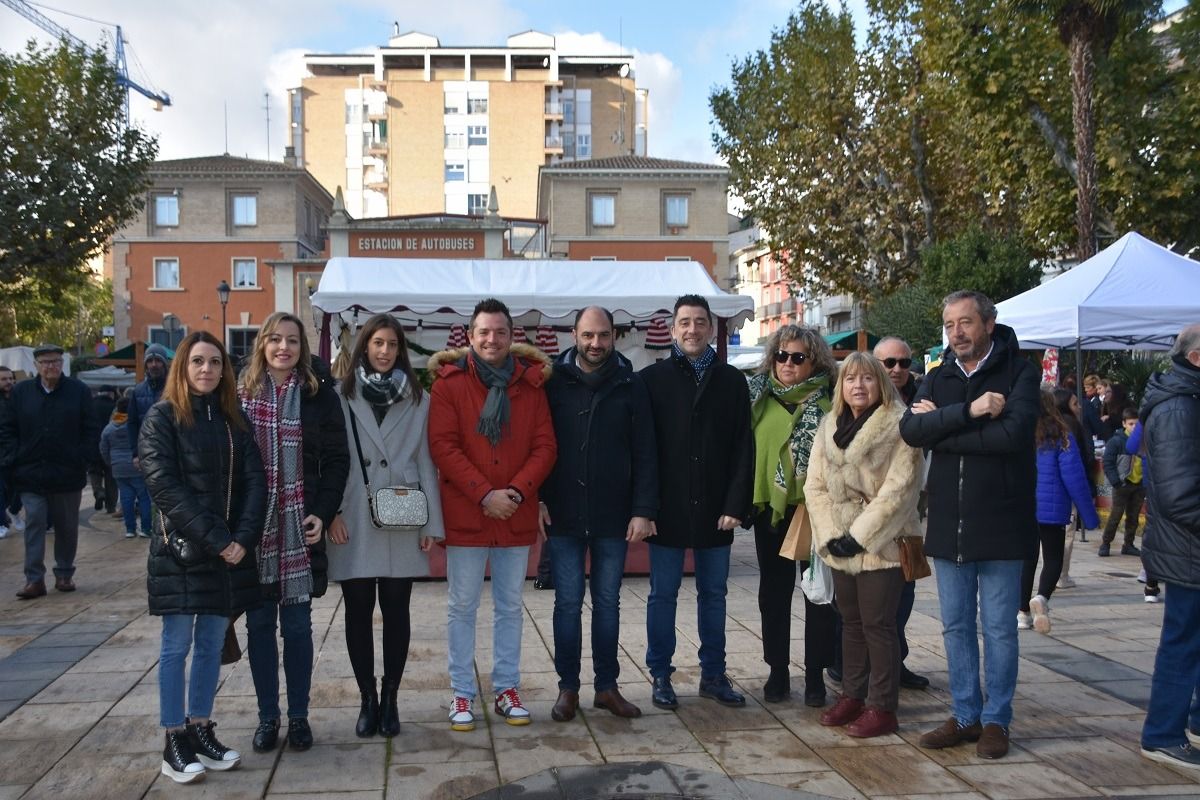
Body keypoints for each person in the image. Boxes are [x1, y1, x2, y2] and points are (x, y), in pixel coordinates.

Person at [900, 291, 1039, 760]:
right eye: (949, 325)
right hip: (948, 523)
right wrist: (971, 412)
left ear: (989, 324)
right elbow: (911, 432)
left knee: (999, 628)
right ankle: (965, 715)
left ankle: (997, 719)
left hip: (1002, 522)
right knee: (956, 626)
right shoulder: (938, 376)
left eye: (965, 323)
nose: (956, 333)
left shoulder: (1020, 371)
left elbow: (1012, 436)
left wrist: (944, 428)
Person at [138, 331, 267, 784]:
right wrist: (219, 539)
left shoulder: (235, 421)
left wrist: (244, 538)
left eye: (215, 362)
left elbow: (257, 483)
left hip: (226, 553)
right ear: (182, 367)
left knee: (212, 644)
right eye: (197, 361)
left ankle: (200, 727)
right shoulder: (161, 419)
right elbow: (165, 488)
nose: (207, 369)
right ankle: (173, 738)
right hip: (181, 553)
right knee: (176, 647)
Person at [428, 298, 556, 731]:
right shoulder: (448, 384)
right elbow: (443, 447)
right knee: (461, 607)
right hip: (468, 513)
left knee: (510, 608)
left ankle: (506, 688)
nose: (492, 339)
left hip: (514, 517)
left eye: (500, 332)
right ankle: (462, 694)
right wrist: (485, 495)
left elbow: (545, 447)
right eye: (484, 331)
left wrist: (516, 493)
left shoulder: (531, 385)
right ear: (470, 336)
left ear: (511, 336)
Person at [327, 313, 445, 739]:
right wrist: (331, 513)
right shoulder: (341, 395)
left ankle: (392, 697)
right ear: (364, 346)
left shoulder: (419, 399)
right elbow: (331, 460)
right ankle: (367, 699)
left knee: (397, 611)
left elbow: (427, 463)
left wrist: (432, 521)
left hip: (402, 512)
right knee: (357, 612)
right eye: (377, 342)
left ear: (401, 350)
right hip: (354, 513)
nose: (384, 351)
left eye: (392, 344)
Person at [540, 306, 657, 723]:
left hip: (613, 514)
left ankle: (607, 687)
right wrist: (537, 498)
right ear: (574, 333)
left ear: (614, 336)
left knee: (608, 603)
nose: (595, 343)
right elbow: (538, 445)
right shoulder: (550, 382)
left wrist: (643, 510)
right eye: (588, 335)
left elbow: (646, 451)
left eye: (603, 335)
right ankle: (567, 688)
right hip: (564, 512)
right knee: (567, 603)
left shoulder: (631, 383)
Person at [239, 312, 350, 753]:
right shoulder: (240, 397)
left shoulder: (319, 397)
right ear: (262, 345)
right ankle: (268, 717)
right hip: (254, 533)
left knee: (299, 629)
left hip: (299, 530)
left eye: (292, 341)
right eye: (275, 340)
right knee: (260, 626)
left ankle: (299, 716)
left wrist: (323, 512)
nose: (284, 348)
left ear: (303, 349)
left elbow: (338, 460)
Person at [639, 294, 754, 710]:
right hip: (667, 508)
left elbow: (745, 446)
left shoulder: (731, 381)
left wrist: (736, 504)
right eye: (684, 322)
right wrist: (645, 508)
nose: (692, 330)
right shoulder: (651, 382)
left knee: (714, 594)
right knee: (662, 594)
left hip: (716, 508)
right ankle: (660, 675)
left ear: (710, 328)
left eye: (700, 322)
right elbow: (644, 451)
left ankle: (713, 674)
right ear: (672, 329)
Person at [805, 352, 923, 738]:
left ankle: (882, 706)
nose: (858, 385)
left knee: (879, 625)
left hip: (882, 543)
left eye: (867, 379)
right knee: (850, 622)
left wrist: (858, 537)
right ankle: (853, 695)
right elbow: (815, 486)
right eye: (850, 378)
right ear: (841, 386)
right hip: (838, 542)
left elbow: (900, 491)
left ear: (881, 384)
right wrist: (830, 535)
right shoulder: (829, 425)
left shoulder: (900, 425)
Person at [747, 324, 838, 707]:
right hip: (771, 509)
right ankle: (777, 670)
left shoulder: (831, 401)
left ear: (813, 360)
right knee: (773, 593)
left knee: (818, 595)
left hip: (815, 511)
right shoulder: (757, 398)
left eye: (797, 357)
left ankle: (815, 674)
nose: (787, 363)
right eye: (781, 355)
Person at [1138, 323, 1200, 770]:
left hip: (1188, 547)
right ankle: (1163, 733)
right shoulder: (1180, 406)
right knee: (1183, 641)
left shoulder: (1185, 398)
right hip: (1189, 550)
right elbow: (1181, 493)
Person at [0, 344, 98, 599]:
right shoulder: (22, 393)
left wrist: (82, 458)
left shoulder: (77, 391)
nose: (50, 366)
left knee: (66, 526)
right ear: (36, 365)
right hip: (31, 472)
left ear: (62, 363)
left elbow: (90, 428)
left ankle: (64, 572)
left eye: (55, 361)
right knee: (34, 521)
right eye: (45, 362)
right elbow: (8, 428)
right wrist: (14, 456)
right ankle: (34, 579)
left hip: (67, 473)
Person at [873, 335, 931, 690]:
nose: (897, 369)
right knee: (863, 595)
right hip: (867, 509)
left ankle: (897, 661)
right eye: (889, 363)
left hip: (909, 511)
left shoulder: (923, 399)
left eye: (903, 363)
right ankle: (850, 663)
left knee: (905, 588)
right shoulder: (860, 394)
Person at [1018, 389, 1100, 635]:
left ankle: (1022, 613)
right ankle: (1041, 598)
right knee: (1053, 559)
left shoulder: (1020, 434)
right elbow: (1075, 478)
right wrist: (1090, 516)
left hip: (1024, 507)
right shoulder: (1062, 436)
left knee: (1027, 559)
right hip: (1053, 509)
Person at [1051, 387, 1096, 587]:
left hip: (1047, 489)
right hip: (1066, 489)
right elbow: (1078, 463)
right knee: (1067, 532)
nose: (1079, 407)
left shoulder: (1046, 425)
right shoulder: (1070, 427)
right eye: (1075, 403)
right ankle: (1061, 574)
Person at [100, 394, 153, 538]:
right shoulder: (137, 425)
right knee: (144, 498)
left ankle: (130, 529)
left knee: (126, 498)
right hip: (137, 465)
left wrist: (110, 462)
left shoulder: (109, 428)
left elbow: (103, 448)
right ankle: (146, 528)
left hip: (118, 467)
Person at [1099, 407, 1145, 558]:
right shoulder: (1117, 441)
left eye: (1137, 425)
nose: (1134, 427)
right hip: (1122, 484)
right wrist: (1115, 481)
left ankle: (1129, 544)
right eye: (1131, 424)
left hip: (1138, 484)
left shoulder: (1143, 441)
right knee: (1115, 515)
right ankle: (1106, 542)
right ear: (1124, 424)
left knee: (1133, 516)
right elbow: (1108, 462)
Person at [128, 343, 171, 466]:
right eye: (150, 361)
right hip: (147, 452)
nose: (154, 365)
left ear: (164, 363)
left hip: (171, 451)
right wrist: (135, 454)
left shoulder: (174, 389)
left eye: (158, 360)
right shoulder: (138, 391)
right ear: (146, 365)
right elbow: (132, 423)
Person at [88, 385, 119, 514]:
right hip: (111, 446)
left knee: (94, 472)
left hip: (92, 445)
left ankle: (98, 491)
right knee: (111, 476)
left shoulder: (89, 405)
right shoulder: (115, 407)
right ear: (111, 394)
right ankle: (111, 506)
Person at [0, 365, 16, 539]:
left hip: (16, 453)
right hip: (3, 453)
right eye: (4, 379)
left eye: (10, 378)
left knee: (14, 491)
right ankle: (1, 522)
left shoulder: (17, 399)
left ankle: (12, 512)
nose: (8, 382)